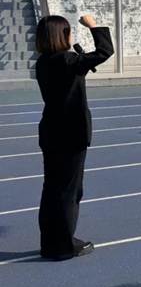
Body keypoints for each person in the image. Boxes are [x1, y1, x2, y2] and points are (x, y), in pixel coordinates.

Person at [35, 14, 113, 261]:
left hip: (51, 132)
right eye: (68, 32)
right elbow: (105, 51)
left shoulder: (44, 62)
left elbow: (77, 71)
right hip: (71, 134)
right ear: (62, 35)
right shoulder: (68, 60)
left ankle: (51, 242)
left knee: (52, 189)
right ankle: (63, 246)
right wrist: (93, 25)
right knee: (69, 192)